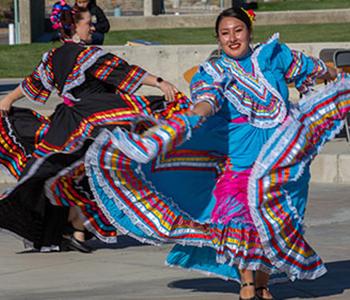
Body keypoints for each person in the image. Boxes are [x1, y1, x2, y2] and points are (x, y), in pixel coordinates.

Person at [81, 6, 350, 300]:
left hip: (285, 162)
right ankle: (247, 285)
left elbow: (314, 68)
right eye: (225, 34)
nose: (232, 38)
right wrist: (192, 116)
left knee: (274, 225)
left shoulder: (273, 55)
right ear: (218, 39)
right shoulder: (213, 71)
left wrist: (338, 74)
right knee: (243, 223)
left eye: (238, 31)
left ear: (249, 32)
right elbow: (206, 100)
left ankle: (263, 283)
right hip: (241, 164)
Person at [0, 4, 180, 253]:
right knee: (91, 173)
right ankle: (77, 226)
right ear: (73, 26)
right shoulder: (88, 56)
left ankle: (74, 230)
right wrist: (160, 83)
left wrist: (8, 100)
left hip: (66, 125)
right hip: (93, 120)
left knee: (64, 174)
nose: (92, 27)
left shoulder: (53, 57)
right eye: (88, 23)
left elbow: (32, 83)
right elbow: (123, 71)